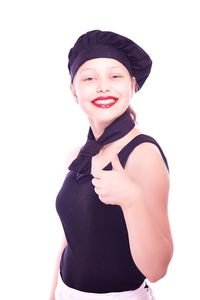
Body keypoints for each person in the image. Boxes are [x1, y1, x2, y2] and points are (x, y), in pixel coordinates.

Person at [50, 29, 173, 300]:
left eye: (115, 76)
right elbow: (72, 237)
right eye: (89, 78)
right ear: (74, 91)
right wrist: (52, 292)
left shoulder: (143, 154)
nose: (103, 86)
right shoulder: (77, 157)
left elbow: (157, 268)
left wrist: (132, 200)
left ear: (132, 84)